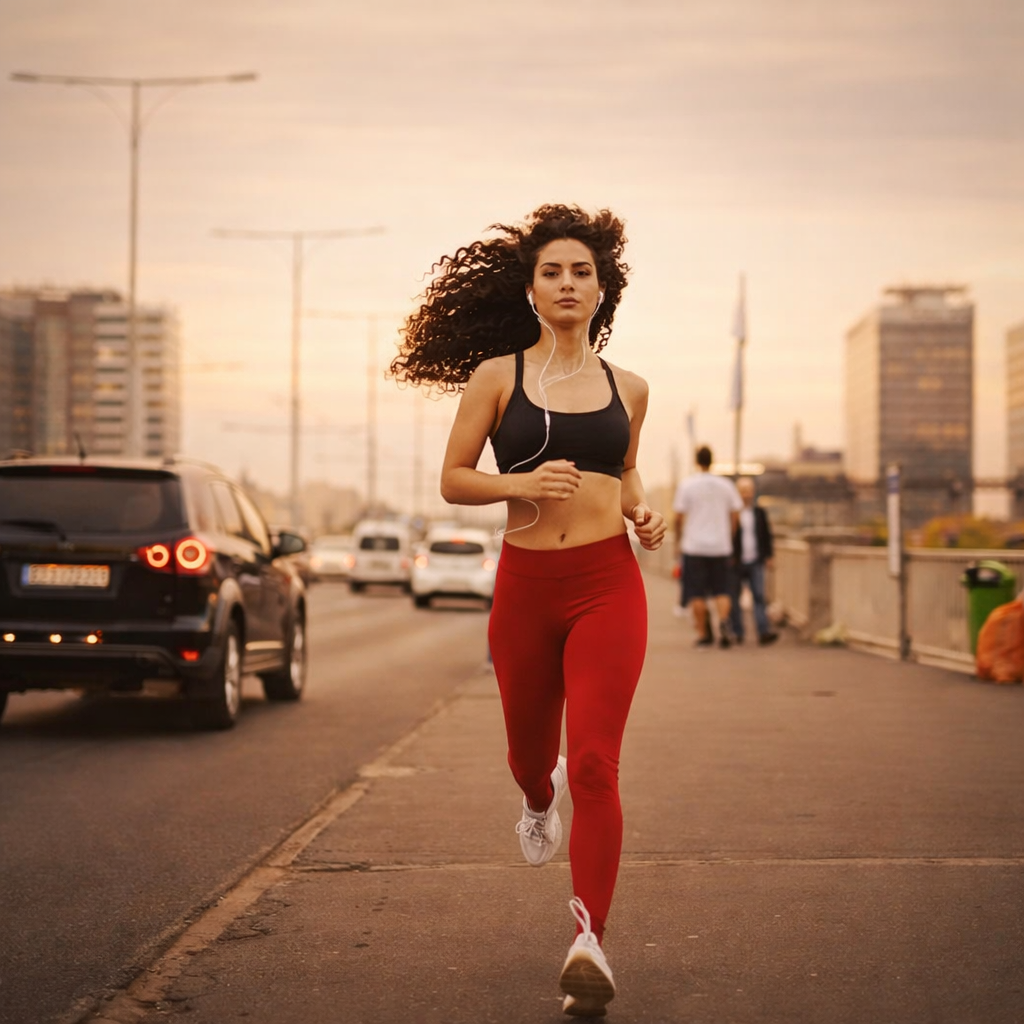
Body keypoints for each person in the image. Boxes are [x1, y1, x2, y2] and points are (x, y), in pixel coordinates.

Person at [390, 204, 666, 1017]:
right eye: (553, 271)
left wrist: (644, 515)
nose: (569, 282)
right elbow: (453, 478)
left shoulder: (633, 388)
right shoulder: (497, 377)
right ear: (532, 290)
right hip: (526, 587)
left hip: (608, 585)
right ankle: (535, 800)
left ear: (602, 287)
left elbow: (628, 475)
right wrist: (520, 482)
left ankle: (589, 942)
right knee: (531, 758)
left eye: (583, 271)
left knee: (595, 763)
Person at [672, 446, 742, 648]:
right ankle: (723, 622)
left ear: (696, 461)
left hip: (694, 546)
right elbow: (735, 515)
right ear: (712, 460)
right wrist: (729, 536)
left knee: (696, 593)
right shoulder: (726, 485)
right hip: (720, 546)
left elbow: (678, 517)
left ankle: (703, 634)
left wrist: (679, 540)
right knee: (722, 590)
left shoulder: (687, 485)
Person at [729, 477, 778, 645]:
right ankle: (737, 632)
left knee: (759, 596)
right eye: (743, 491)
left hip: (756, 560)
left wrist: (769, 556)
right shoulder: (731, 514)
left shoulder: (760, 513)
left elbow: (767, 536)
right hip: (736, 561)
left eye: (749, 490)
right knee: (734, 598)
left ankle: (763, 631)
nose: (746, 494)